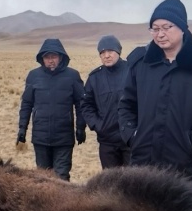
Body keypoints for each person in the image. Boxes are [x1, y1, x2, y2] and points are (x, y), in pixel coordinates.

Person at [117, 0, 192, 184]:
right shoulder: (141, 62)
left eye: (166, 27)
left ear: (182, 27)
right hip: (142, 165)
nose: (160, 34)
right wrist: (132, 136)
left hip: (184, 166)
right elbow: (126, 105)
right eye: (155, 28)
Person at [17, 38, 86, 181]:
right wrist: (22, 128)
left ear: (61, 57)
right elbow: (27, 104)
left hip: (64, 138)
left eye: (54, 56)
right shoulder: (34, 76)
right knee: (43, 179)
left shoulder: (72, 76)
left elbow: (81, 104)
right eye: (47, 57)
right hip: (40, 138)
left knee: (61, 178)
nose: (51, 60)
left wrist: (80, 128)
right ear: (42, 58)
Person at [82, 35, 131, 169]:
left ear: (118, 52)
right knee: (110, 184)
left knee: (133, 184)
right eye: (102, 53)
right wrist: (98, 125)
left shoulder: (132, 71)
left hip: (130, 139)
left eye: (110, 51)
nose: (106, 55)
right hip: (107, 141)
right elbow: (86, 105)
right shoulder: (94, 78)